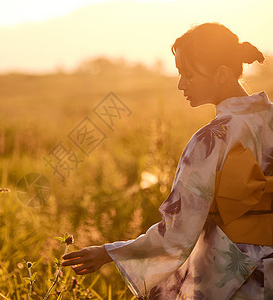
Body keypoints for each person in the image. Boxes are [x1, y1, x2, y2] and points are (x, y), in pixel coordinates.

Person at [62, 22, 273, 299]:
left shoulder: (210, 140)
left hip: (235, 278)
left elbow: (176, 235)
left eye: (189, 75)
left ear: (221, 74)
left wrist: (108, 252)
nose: (180, 84)